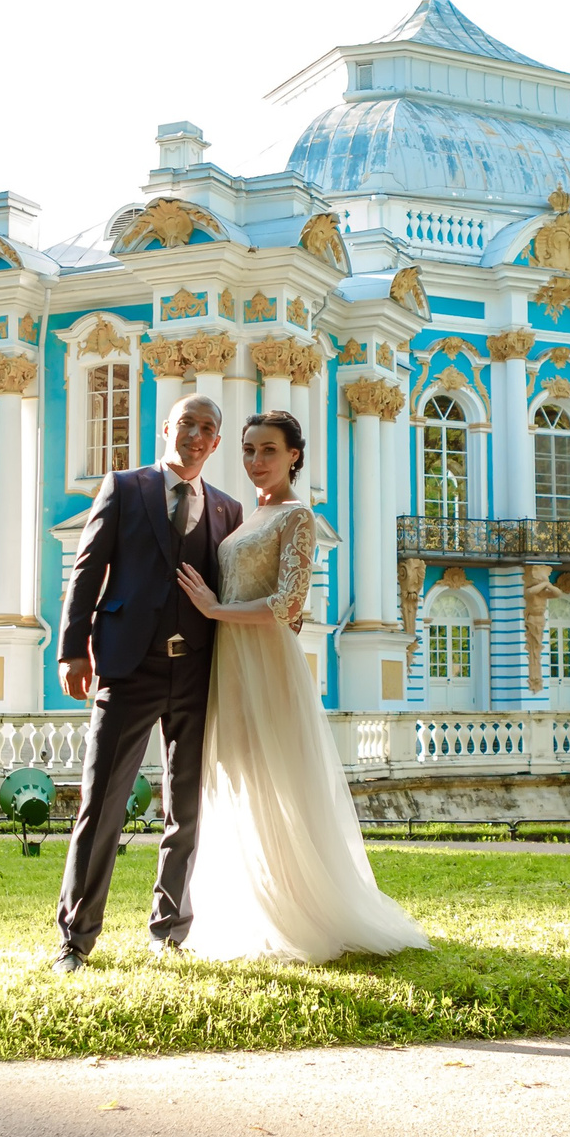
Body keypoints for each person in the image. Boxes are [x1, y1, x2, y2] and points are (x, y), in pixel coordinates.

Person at [170, 411, 429, 964]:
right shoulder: (246, 516)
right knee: (237, 775)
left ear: (294, 456)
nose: (256, 461)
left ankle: (298, 908)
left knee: (277, 777)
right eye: (247, 450)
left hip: (266, 659)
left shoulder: (298, 517)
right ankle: (251, 904)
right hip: (230, 659)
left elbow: (290, 603)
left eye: (268, 450)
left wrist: (215, 609)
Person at [51, 395, 243, 972]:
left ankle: (169, 931)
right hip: (125, 669)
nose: (196, 434)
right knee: (101, 804)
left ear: (215, 442)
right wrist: (72, 650)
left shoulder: (227, 511)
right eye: (188, 423)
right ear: (168, 428)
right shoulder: (123, 487)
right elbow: (87, 571)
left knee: (186, 807)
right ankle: (75, 940)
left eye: (208, 428)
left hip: (197, 672)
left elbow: (228, 594)